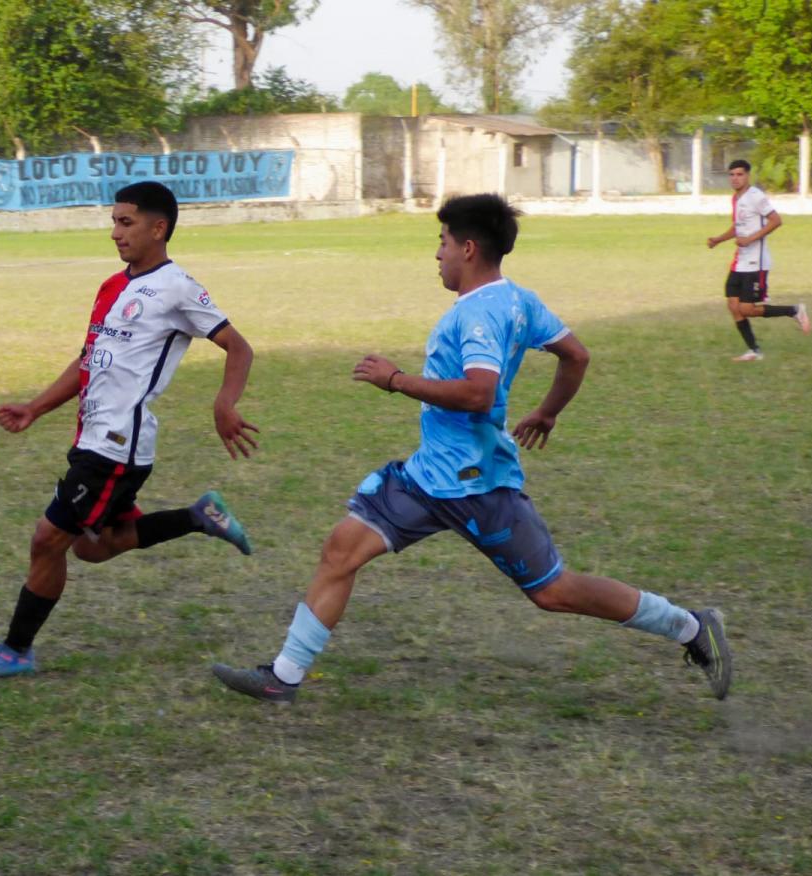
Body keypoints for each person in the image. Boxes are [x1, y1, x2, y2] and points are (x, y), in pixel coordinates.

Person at [212, 193, 733, 705]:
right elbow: (575, 355)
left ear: (467, 248)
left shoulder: (478, 314)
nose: (437, 253)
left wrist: (395, 380)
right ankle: (283, 676)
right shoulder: (519, 299)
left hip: (478, 485)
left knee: (552, 591)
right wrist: (548, 411)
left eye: (442, 242)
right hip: (425, 479)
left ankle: (690, 626)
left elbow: (479, 392)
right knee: (340, 550)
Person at [0, 181, 260, 678]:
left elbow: (239, 348)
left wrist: (224, 403)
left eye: (126, 222)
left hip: (117, 447)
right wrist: (35, 408)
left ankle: (15, 650)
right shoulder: (111, 287)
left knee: (48, 540)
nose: (115, 232)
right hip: (91, 438)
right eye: (114, 222)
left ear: (158, 228)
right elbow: (88, 360)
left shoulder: (178, 288)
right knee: (93, 546)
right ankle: (197, 516)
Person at [707, 159, 810, 361]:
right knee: (733, 306)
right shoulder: (736, 198)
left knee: (747, 309)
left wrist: (750, 239)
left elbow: (776, 220)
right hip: (740, 261)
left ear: (748, 176)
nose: (735, 178)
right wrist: (719, 239)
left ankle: (794, 311)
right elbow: (738, 226)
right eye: (732, 174)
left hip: (757, 262)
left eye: (739, 174)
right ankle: (754, 351)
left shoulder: (756, 196)